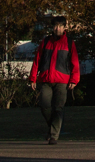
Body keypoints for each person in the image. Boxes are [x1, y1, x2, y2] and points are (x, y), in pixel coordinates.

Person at [29, 15, 80, 144]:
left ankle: (53, 136)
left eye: (59, 26)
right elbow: (37, 60)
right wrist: (33, 78)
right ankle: (53, 127)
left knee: (58, 108)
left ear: (64, 27)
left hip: (62, 81)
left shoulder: (69, 42)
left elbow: (75, 62)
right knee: (44, 105)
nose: (57, 28)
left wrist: (74, 80)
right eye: (55, 26)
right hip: (45, 79)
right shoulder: (45, 42)